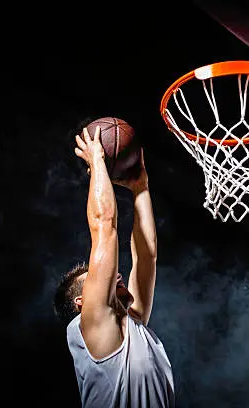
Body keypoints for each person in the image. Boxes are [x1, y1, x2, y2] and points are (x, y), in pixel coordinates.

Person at [54, 125, 175, 407]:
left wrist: (140, 188)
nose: (114, 275)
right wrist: (97, 160)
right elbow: (104, 228)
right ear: (84, 303)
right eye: (98, 279)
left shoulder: (131, 326)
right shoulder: (93, 326)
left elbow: (147, 256)